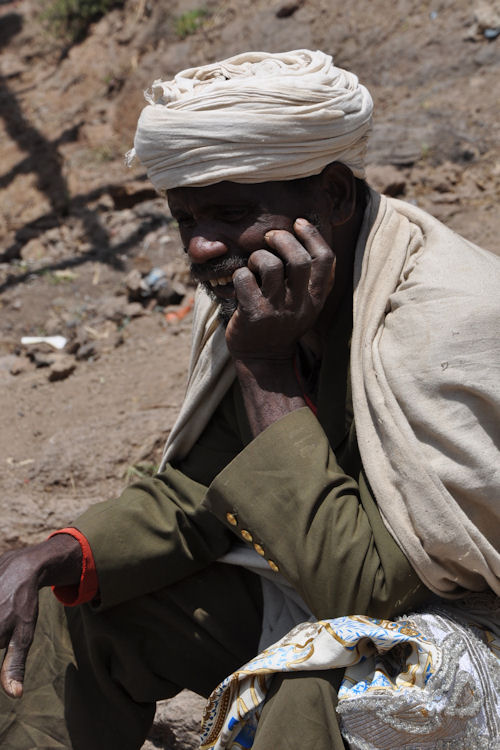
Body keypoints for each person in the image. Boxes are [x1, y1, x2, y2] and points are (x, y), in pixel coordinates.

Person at [0, 50, 498, 750]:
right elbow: (207, 490)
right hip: (332, 584)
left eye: (232, 212)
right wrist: (60, 552)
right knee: (82, 603)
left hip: (468, 622)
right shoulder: (269, 296)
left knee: (315, 685)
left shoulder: (446, 321)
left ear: (334, 195)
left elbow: (364, 592)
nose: (202, 247)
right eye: (185, 218)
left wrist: (266, 368)